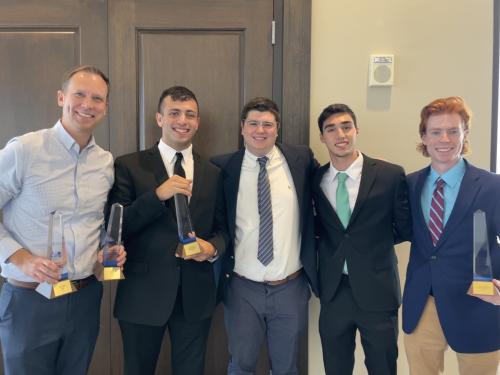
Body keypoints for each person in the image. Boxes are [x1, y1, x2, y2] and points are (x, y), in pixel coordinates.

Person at [0, 65, 126, 375]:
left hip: (84, 297)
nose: (88, 104)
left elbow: (92, 223)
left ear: (106, 107)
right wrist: (21, 257)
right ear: (61, 98)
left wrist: (104, 254)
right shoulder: (25, 150)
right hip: (29, 299)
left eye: (97, 98)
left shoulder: (105, 162)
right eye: (79, 94)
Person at [108, 86, 228, 375]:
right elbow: (115, 228)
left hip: (195, 297)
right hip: (142, 294)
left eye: (190, 114)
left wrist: (212, 249)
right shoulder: (128, 165)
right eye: (174, 113)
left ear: (197, 121)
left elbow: (223, 230)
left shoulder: (213, 172)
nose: (182, 120)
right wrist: (156, 196)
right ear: (159, 118)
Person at [212, 97, 318, 375]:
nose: (261, 130)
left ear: (277, 128)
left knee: (286, 367)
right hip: (242, 287)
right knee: (241, 364)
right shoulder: (222, 168)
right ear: (242, 128)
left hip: (290, 287)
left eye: (268, 124)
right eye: (254, 123)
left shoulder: (301, 159)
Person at [312, 103, 412, 375]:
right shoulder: (315, 179)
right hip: (334, 291)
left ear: (356, 130)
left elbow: (404, 228)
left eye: (346, 126)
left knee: (382, 368)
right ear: (322, 137)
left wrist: (372, 242)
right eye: (331, 129)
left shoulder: (390, 174)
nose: (340, 134)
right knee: (336, 367)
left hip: (378, 290)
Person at [403, 96, 500, 374]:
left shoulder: (493, 186)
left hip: (478, 304)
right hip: (423, 305)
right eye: (435, 131)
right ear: (424, 136)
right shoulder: (408, 185)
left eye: (453, 130)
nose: (444, 139)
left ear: (465, 133)